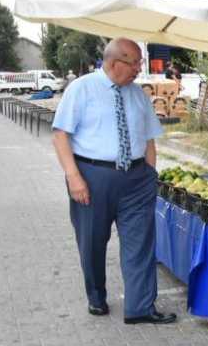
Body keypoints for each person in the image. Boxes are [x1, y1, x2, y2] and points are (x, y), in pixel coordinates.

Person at [50, 37, 176, 324]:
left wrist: (150, 175)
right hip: (92, 177)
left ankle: (140, 307)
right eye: (135, 63)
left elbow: (148, 140)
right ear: (115, 62)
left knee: (140, 243)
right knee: (92, 241)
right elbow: (60, 135)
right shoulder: (82, 88)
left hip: (136, 178)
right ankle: (96, 297)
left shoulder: (138, 95)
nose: (138, 69)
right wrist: (73, 177)